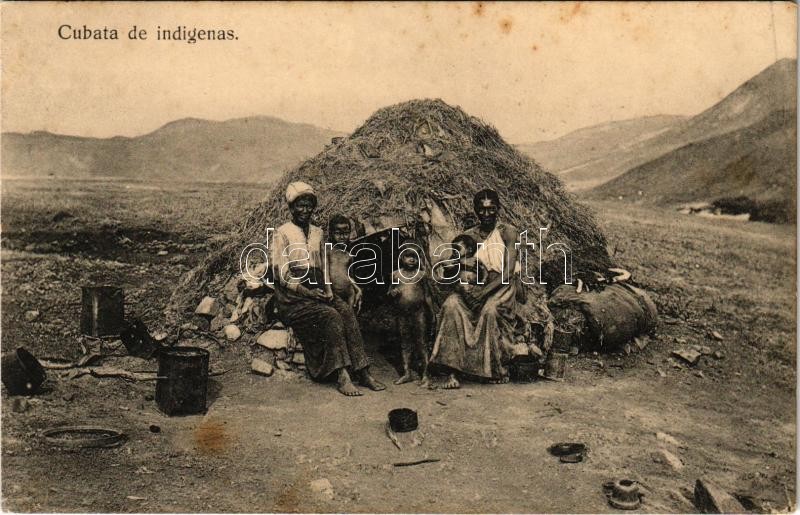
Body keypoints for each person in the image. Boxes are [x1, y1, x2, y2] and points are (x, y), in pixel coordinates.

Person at [270, 181, 385, 396]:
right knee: (331, 315)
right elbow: (281, 275)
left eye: (309, 205)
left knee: (346, 311)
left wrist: (329, 291)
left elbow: (322, 265)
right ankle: (341, 375)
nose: (305, 210)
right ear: (291, 207)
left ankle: (363, 371)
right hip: (292, 298)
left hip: (317, 291)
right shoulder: (282, 233)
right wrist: (308, 292)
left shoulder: (318, 232)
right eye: (299, 205)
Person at [429, 189, 521, 389]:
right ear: (476, 210)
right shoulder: (469, 236)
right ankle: (453, 370)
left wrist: (483, 292)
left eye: (491, 209)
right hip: (473, 287)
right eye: (482, 209)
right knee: (451, 305)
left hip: (499, 287)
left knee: (490, 310)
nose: (486, 214)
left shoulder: (508, 232)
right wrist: (463, 284)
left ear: (498, 209)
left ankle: (493, 370)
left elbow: (508, 273)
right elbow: (454, 268)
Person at [387, 243, 433, 387]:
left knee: (421, 342)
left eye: (414, 256)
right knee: (405, 342)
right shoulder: (395, 274)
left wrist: (432, 312)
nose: (411, 260)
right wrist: (392, 293)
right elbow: (389, 292)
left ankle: (426, 374)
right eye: (408, 256)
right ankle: (407, 373)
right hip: (402, 313)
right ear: (401, 258)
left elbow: (427, 295)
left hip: (419, 312)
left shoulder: (421, 275)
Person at [325, 214, 362, 312]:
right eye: (338, 233)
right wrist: (328, 290)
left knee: (350, 317)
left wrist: (358, 289)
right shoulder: (328, 250)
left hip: (349, 293)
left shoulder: (348, 255)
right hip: (333, 292)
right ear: (331, 234)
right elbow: (325, 272)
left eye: (345, 233)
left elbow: (350, 277)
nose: (342, 236)